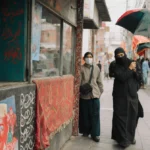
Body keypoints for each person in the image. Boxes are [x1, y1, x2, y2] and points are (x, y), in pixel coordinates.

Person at [109, 47, 144, 148]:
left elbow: (140, 79)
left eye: (122, 54)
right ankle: (122, 139)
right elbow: (122, 77)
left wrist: (134, 71)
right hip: (119, 96)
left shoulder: (134, 63)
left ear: (125, 53)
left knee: (133, 116)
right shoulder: (115, 65)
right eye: (118, 55)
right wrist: (129, 69)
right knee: (120, 117)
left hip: (132, 96)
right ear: (116, 56)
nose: (120, 57)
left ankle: (130, 137)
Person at [79, 52, 103, 142]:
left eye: (91, 57)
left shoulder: (96, 68)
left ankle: (95, 134)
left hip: (95, 95)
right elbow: (79, 82)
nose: (89, 58)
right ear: (84, 58)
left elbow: (100, 82)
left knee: (95, 115)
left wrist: (99, 93)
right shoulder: (81, 68)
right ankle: (86, 131)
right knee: (85, 115)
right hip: (85, 96)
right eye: (87, 57)